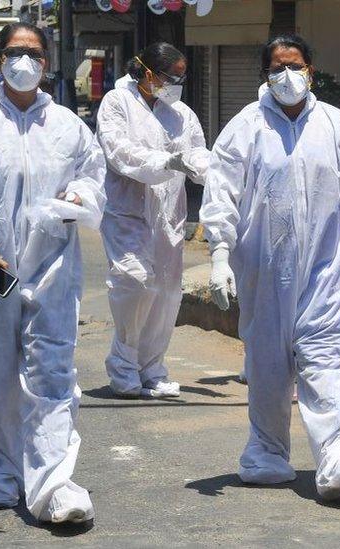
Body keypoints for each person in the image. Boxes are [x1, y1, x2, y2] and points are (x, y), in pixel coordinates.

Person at [200, 34, 340, 505]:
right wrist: (219, 255)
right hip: (262, 269)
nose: (286, 75)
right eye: (276, 67)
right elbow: (220, 196)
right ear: (264, 75)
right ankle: (266, 451)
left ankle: (334, 456)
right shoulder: (244, 130)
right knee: (267, 362)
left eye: (294, 64)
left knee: (327, 353)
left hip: (328, 265)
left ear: (310, 68)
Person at [0, 22, 106, 524]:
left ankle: (53, 485)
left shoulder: (70, 127)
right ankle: (1, 476)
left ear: (47, 62)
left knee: (51, 374)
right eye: (15, 52)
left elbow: (93, 178)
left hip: (52, 267)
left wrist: (78, 198)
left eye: (33, 53)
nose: (24, 62)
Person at [97, 42, 210, 398]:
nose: (175, 83)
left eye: (181, 76)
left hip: (168, 215)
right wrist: (163, 162)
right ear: (146, 72)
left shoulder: (181, 114)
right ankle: (123, 363)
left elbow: (197, 152)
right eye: (169, 76)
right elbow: (118, 150)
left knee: (165, 292)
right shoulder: (117, 103)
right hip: (128, 210)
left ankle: (152, 368)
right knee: (133, 280)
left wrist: (216, 171)